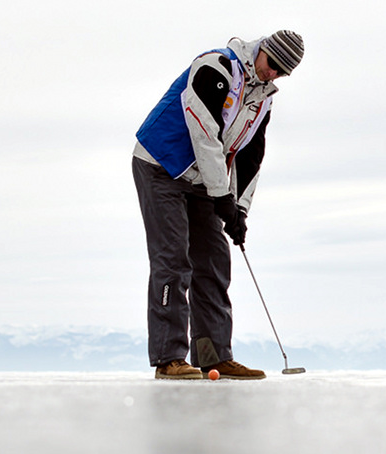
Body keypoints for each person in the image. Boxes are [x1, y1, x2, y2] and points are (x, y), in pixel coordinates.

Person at [131, 31, 304, 380]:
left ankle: (213, 356)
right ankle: (169, 359)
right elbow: (205, 134)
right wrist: (221, 196)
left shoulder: (263, 99)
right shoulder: (216, 67)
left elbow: (249, 155)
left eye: (282, 73)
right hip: (160, 164)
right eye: (273, 64)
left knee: (213, 260)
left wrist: (239, 210)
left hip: (201, 178)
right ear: (262, 50)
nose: (273, 75)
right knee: (173, 259)